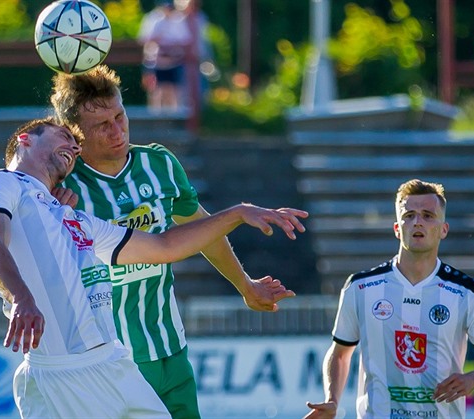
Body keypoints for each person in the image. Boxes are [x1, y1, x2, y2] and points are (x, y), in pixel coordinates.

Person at [0, 118, 307, 418]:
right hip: (63, 371)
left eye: (75, 143)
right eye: (62, 135)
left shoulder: (74, 218)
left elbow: (163, 247)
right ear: (25, 138)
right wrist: (22, 297)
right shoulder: (0, 182)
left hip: (115, 363)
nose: (72, 145)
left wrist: (236, 213)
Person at [49, 64, 298, 418]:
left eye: (120, 116)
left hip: (171, 349)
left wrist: (245, 285)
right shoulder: (63, 188)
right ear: (74, 134)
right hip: (113, 362)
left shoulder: (159, 164)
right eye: (102, 126)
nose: (117, 131)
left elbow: (201, 230)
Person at [305, 179, 474, 419]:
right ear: (397, 228)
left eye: (427, 215)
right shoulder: (361, 287)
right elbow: (340, 353)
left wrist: (471, 380)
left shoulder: (468, 292)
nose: (417, 222)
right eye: (409, 215)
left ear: (444, 229)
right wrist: (332, 399)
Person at [137, 0, 192, 109]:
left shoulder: (178, 19)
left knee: (174, 91)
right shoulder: (152, 19)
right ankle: (155, 119)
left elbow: (185, 40)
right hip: (155, 62)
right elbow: (143, 39)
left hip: (174, 62)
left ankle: (175, 119)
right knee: (155, 91)